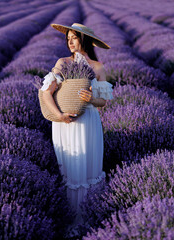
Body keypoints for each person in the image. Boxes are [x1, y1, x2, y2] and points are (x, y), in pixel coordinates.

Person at [40, 23, 113, 237]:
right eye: (68, 38)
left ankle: (91, 220)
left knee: (90, 168)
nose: (70, 42)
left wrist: (92, 98)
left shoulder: (98, 67)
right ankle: (69, 221)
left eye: (75, 37)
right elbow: (46, 92)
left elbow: (103, 102)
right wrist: (58, 115)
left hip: (89, 122)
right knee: (70, 169)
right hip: (65, 124)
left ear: (85, 40)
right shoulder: (62, 63)